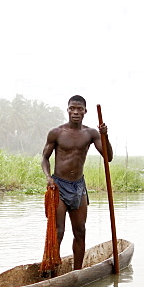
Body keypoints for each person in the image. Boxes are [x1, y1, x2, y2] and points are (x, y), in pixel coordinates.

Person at [41, 95, 113, 270]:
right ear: (67, 110)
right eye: (72, 108)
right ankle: (52, 273)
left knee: (80, 231)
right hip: (59, 185)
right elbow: (44, 158)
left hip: (78, 187)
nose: (75, 112)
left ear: (85, 112)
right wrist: (48, 177)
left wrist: (105, 136)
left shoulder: (90, 134)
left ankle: (77, 272)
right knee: (58, 232)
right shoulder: (57, 133)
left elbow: (108, 157)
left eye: (79, 109)